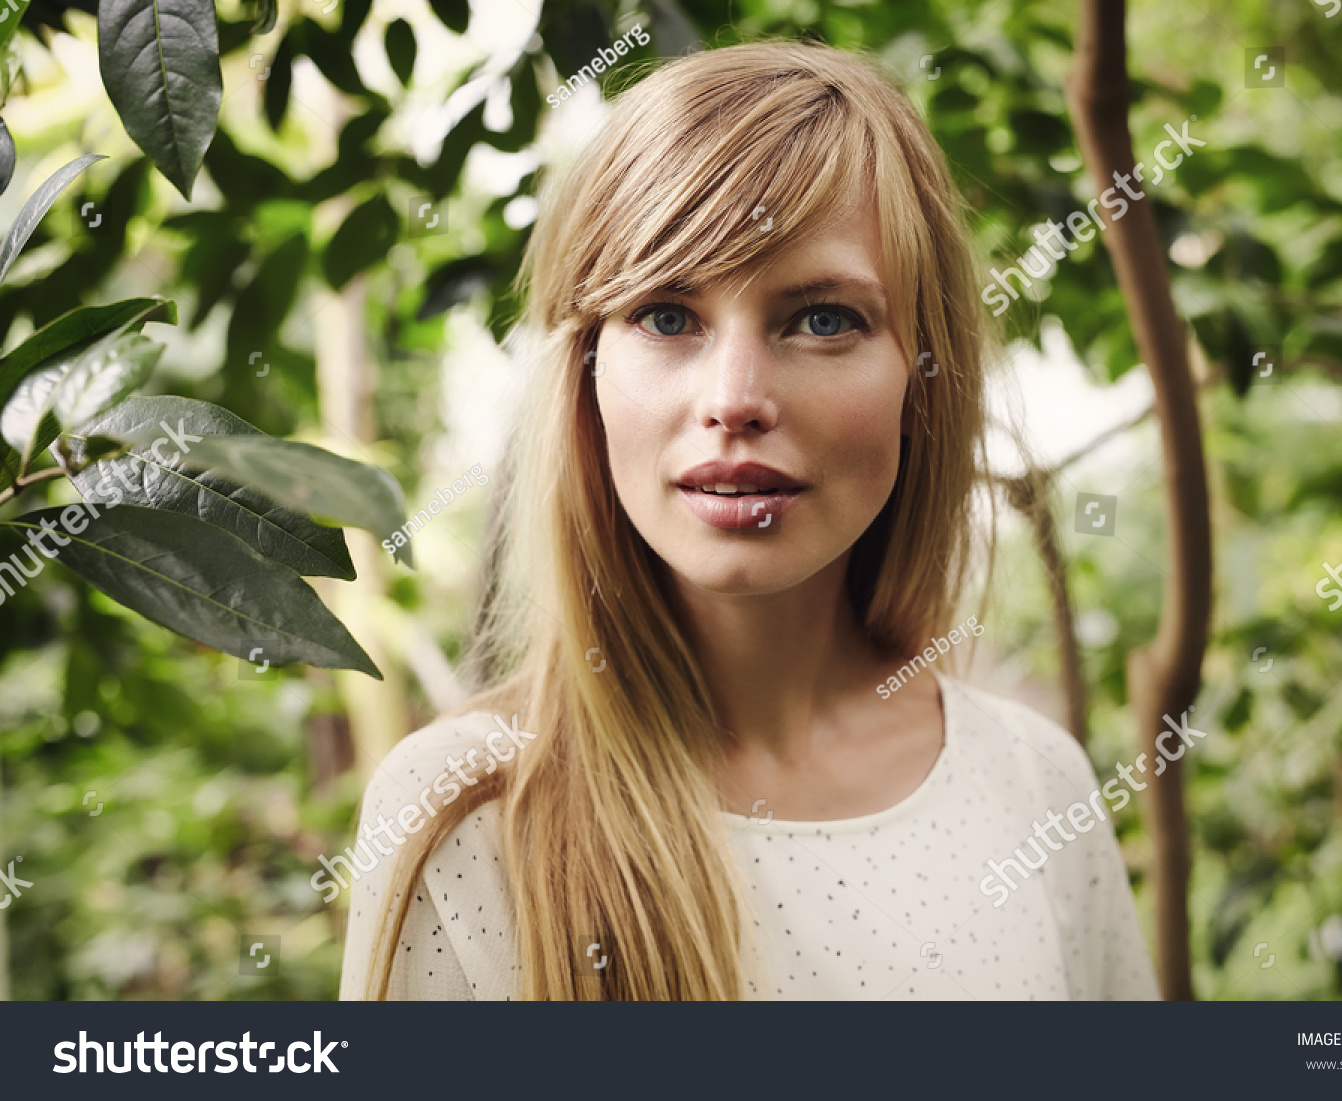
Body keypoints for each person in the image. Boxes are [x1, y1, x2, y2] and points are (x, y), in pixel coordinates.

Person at [339, 39, 1159, 1001]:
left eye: (821, 318)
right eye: (667, 316)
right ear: (586, 373)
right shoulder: (461, 809)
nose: (735, 400)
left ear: (922, 377)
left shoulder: (1037, 786)